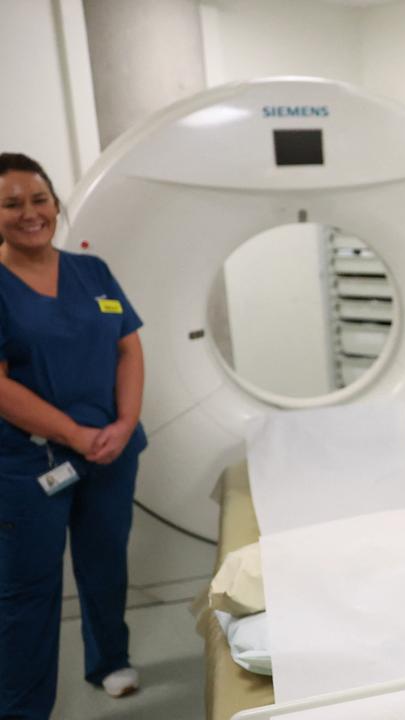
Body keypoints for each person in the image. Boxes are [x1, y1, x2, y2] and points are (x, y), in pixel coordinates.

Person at [0, 153, 147, 718]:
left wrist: (124, 423)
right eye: (11, 204)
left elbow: (128, 346)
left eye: (39, 199)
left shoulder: (93, 271)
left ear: (55, 204)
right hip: (29, 462)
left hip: (111, 449)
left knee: (105, 561)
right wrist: (75, 435)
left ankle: (109, 661)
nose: (29, 213)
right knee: (27, 590)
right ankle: (24, 707)